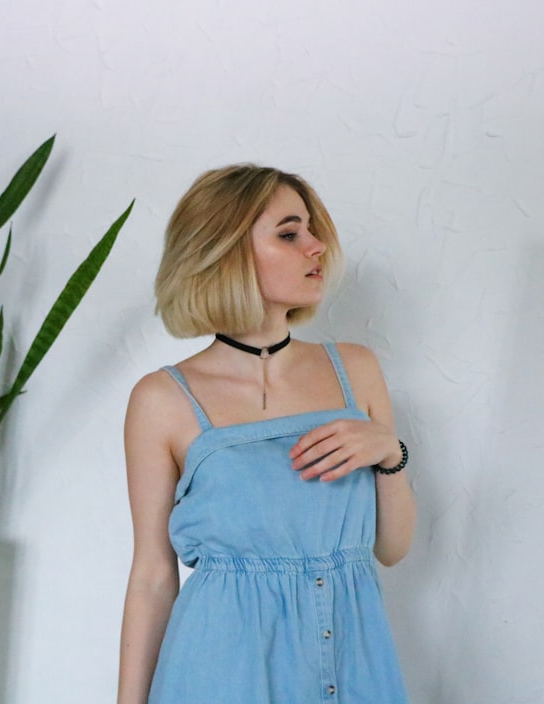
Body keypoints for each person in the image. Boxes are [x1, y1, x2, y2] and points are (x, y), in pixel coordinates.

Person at [117, 165, 416, 703]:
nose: (316, 246)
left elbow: (392, 549)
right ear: (225, 250)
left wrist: (390, 454)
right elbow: (152, 576)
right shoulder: (161, 400)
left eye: (311, 230)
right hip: (219, 674)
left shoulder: (356, 368)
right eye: (289, 233)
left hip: (355, 663)